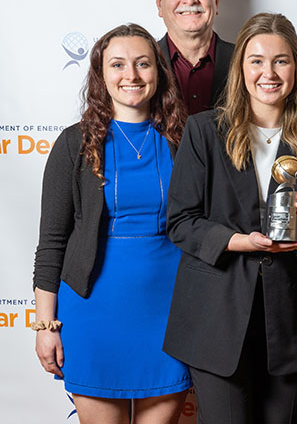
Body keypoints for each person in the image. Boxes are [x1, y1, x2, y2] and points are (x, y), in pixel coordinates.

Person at [162, 12, 297, 423]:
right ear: (241, 68)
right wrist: (239, 241)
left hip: (287, 323)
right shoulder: (204, 130)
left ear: (296, 67)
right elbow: (181, 221)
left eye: (281, 60)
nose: (269, 72)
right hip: (216, 319)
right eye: (257, 60)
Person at [33, 23, 190, 422]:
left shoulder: (185, 139)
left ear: (159, 71)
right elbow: (52, 242)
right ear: (101, 75)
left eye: (143, 64)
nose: (131, 76)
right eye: (118, 65)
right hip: (93, 310)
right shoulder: (74, 142)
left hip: (171, 312)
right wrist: (45, 326)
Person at [154, 0, 234, 115]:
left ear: (216, 1)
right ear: (159, 4)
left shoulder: (244, 60)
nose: (190, 0)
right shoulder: (142, 64)